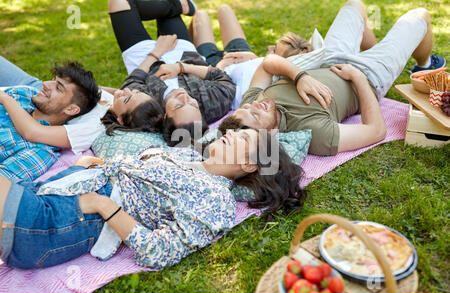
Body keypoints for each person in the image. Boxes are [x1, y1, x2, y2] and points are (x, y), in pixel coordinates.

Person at [0, 128, 306, 269]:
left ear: (250, 165)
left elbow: (160, 251)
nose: (232, 132)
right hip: (57, 188)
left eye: (243, 138)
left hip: (64, 220)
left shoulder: (216, 201)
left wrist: (103, 205)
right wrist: (96, 165)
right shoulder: (188, 155)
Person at [219, 0, 446, 156]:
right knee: (420, 16)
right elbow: (376, 130)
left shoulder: (251, 104)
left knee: (355, 4)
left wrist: (299, 77)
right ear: (269, 136)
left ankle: (378, 48)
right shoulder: (312, 134)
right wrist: (356, 77)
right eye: (257, 114)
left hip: (329, 57)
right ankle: (423, 65)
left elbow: (267, 63)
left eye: (251, 106)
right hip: (369, 75)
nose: (258, 104)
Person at [108, 0, 237, 145]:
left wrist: (158, 52)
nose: (184, 97)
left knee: (118, 3)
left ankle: (181, 6)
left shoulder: (148, 107)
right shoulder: (212, 106)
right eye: (193, 105)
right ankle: (180, 6)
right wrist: (181, 68)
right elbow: (220, 76)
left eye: (178, 105)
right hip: (183, 51)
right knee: (164, 6)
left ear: (164, 116)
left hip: (144, 57)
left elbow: (133, 81)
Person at [0, 56, 165, 157]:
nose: (125, 91)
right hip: (41, 90)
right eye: (133, 92)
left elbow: (33, 132)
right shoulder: (115, 101)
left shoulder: (94, 128)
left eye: (128, 100)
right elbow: (100, 90)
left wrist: (4, 97)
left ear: (122, 120)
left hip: (41, 100)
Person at [190, 5, 325, 110]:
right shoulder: (272, 63)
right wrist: (254, 57)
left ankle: (187, 44)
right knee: (224, 10)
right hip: (244, 54)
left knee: (200, 17)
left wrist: (219, 66)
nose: (269, 47)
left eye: (274, 50)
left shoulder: (258, 88)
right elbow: (265, 62)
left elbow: (223, 90)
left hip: (216, 66)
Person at [0, 61, 101, 181]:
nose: (45, 84)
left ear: (71, 109)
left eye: (58, 88)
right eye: (52, 79)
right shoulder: (25, 94)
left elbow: (3, 185)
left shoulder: (40, 153)